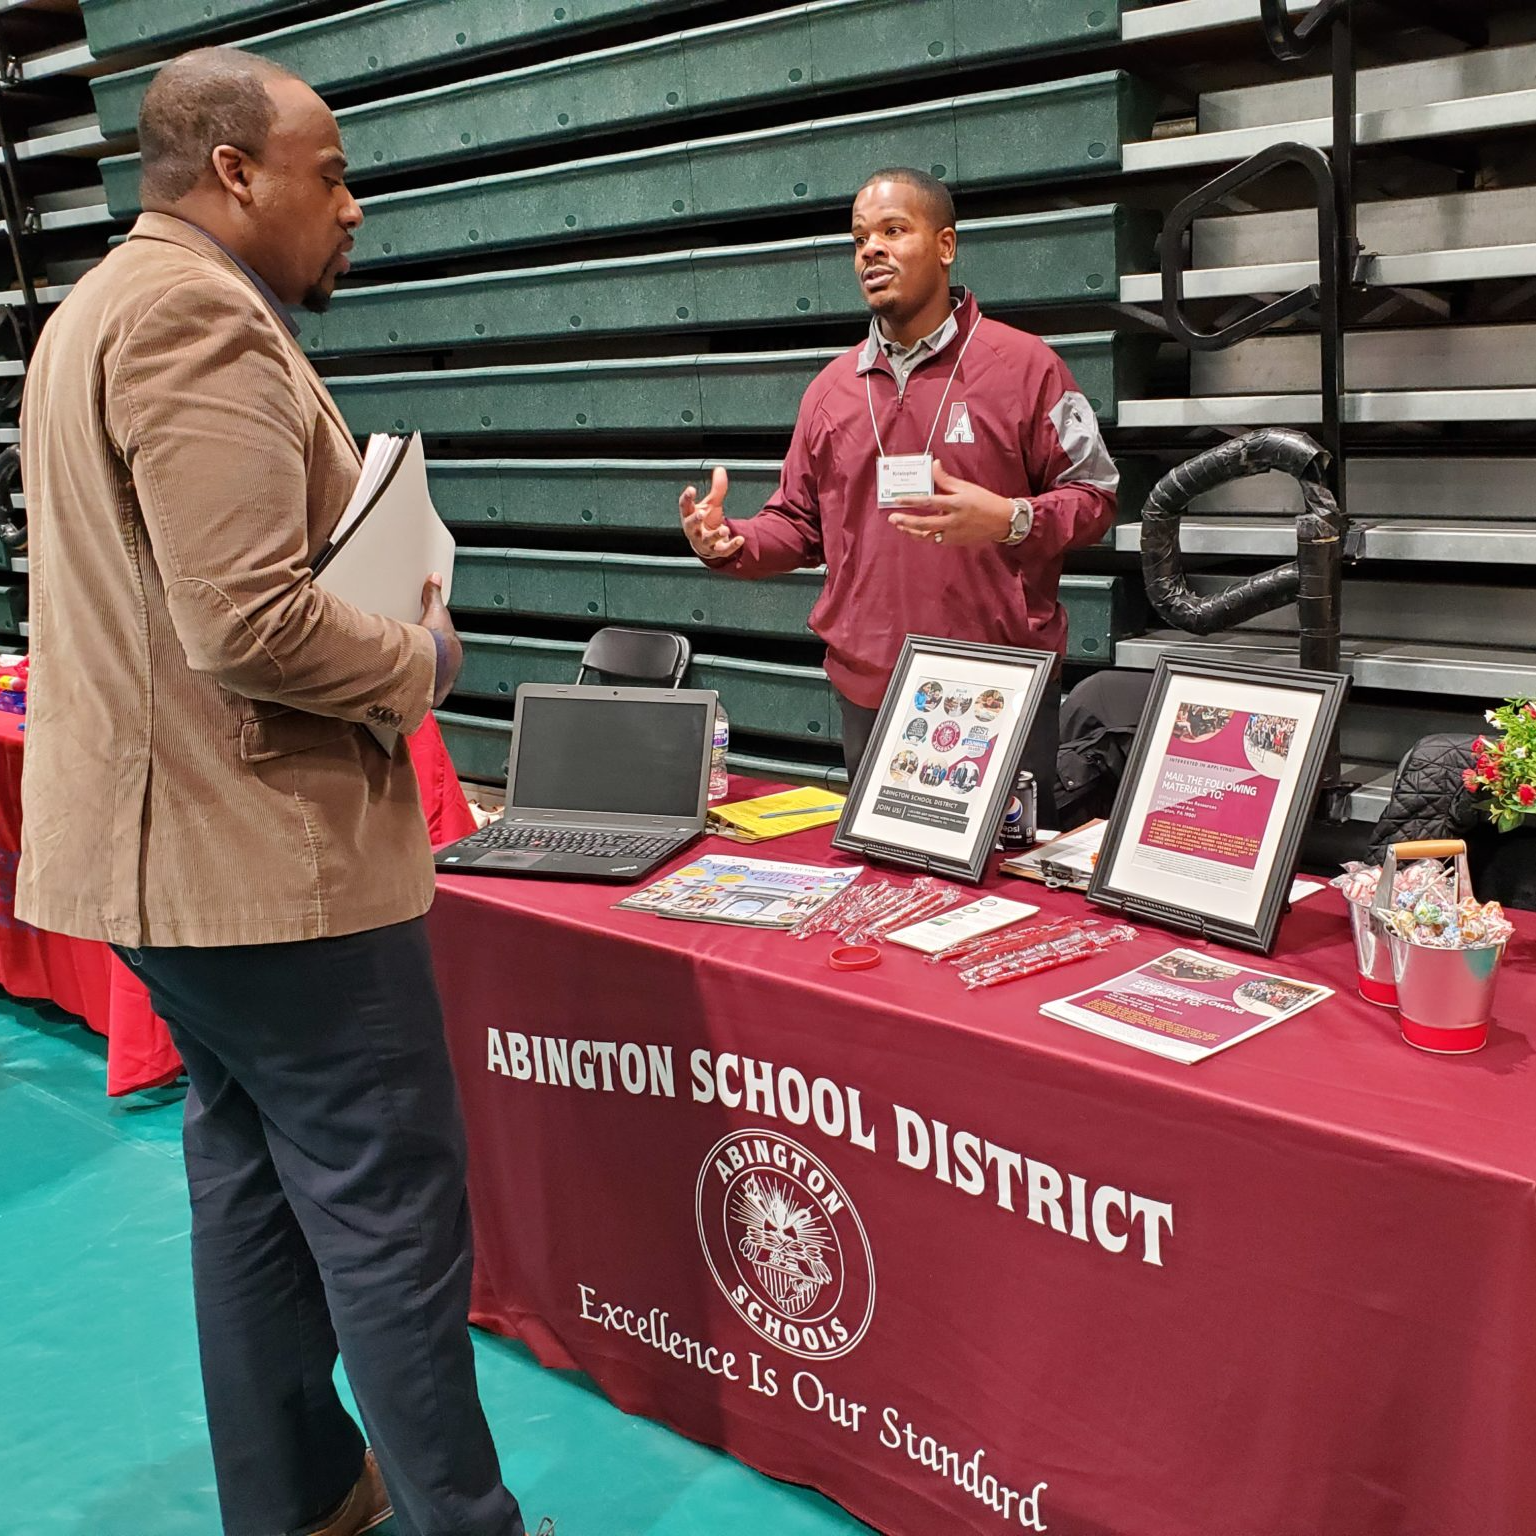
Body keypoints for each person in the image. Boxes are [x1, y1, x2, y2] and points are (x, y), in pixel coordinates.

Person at [17, 48, 537, 1536]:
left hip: (167, 869)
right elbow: (246, 621)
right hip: (265, 868)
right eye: (333, 172)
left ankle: (302, 1497)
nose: (354, 206)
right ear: (236, 171)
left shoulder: (90, 310)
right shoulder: (194, 315)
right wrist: (420, 653)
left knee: (248, 1177)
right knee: (389, 1212)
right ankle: (464, 1521)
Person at [678, 167, 1120, 823]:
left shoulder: (1030, 368)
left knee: (1009, 900)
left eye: (893, 230)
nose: (871, 251)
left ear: (945, 246)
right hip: (873, 691)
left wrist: (1011, 518)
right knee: (889, 889)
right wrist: (731, 541)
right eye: (860, 239)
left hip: (999, 692)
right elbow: (798, 525)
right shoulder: (830, 392)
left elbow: (1097, 497)